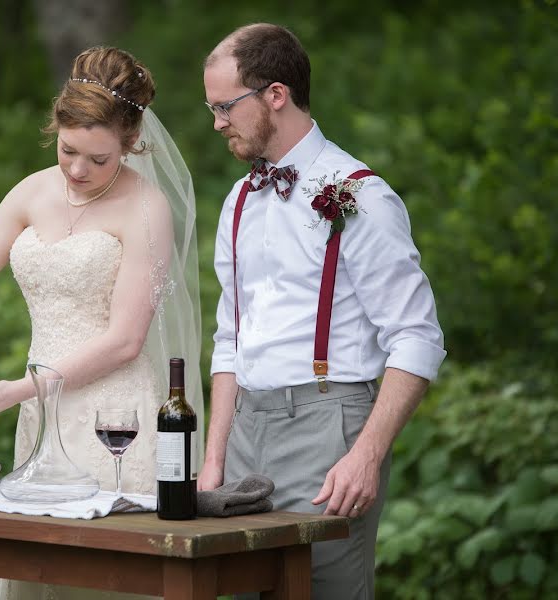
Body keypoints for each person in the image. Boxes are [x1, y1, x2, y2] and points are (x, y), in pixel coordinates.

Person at [0, 46, 203, 600]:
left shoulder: (147, 208)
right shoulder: (31, 191)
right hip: (40, 412)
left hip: (115, 422)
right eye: (68, 150)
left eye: (99, 159)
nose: (78, 170)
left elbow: (126, 340)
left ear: (131, 144)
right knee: (41, 571)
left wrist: (25, 388)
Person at [198, 24, 446, 599]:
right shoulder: (237, 202)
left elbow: (417, 336)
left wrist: (366, 455)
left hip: (328, 426)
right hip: (244, 433)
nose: (217, 123)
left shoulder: (360, 194)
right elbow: (229, 338)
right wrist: (214, 458)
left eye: (226, 107)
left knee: (323, 591)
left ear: (275, 95)